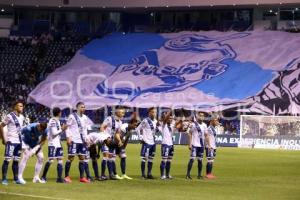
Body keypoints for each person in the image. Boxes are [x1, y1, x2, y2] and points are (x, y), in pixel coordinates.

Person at [64, 102, 93, 183]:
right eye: (81, 107)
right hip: (74, 140)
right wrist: (68, 138)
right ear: (77, 108)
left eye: (84, 107)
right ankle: (66, 176)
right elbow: (67, 128)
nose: (83, 108)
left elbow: (85, 130)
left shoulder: (85, 118)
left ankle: (82, 177)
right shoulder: (72, 116)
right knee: (71, 158)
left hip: (82, 141)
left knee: (82, 158)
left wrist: (87, 139)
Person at [0, 100, 25, 185]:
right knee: (7, 160)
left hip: (19, 142)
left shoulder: (22, 117)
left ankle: (16, 179)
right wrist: (3, 139)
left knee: (16, 160)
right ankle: (4, 179)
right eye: (20, 106)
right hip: (11, 141)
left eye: (22, 106)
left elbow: (20, 130)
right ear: (15, 107)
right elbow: (1, 126)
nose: (21, 107)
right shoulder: (10, 116)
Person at [17, 118, 48, 184]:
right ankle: (19, 177)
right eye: (41, 129)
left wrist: (36, 148)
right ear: (39, 125)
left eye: (43, 130)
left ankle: (36, 178)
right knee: (26, 157)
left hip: (35, 144)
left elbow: (44, 140)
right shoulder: (29, 128)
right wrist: (24, 147)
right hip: (26, 142)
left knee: (41, 158)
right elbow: (19, 134)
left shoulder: (45, 130)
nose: (41, 131)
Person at [41, 107, 68, 183]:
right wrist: (62, 129)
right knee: (51, 160)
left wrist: (62, 129)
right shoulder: (52, 121)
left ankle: (59, 178)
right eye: (60, 112)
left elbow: (58, 133)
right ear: (59, 113)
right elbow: (54, 133)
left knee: (60, 160)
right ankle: (43, 177)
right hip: (52, 143)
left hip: (58, 143)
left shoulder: (57, 121)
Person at [158, 111, 182, 180]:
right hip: (165, 144)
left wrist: (181, 119)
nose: (170, 119)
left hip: (171, 145)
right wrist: (171, 110)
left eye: (171, 118)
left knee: (169, 160)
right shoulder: (163, 124)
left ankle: (168, 175)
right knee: (164, 160)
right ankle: (162, 175)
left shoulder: (171, 125)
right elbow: (166, 119)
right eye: (169, 118)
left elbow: (178, 125)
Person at [136, 107, 158, 179]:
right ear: (149, 113)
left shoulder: (155, 121)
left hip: (153, 143)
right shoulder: (145, 120)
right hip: (146, 142)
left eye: (155, 112)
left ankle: (149, 174)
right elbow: (138, 129)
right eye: (152, 112)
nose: (154, 113)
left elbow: (154, 131)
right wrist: (140, 138)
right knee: (144, 159)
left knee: (151, 158)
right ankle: (143, 175)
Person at [186, 112, 208, 180]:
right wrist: (190, 144)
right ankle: (188, 174)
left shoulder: (204, 125)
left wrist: (207, 144)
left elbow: (206, 135)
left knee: (200, 160)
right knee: (192, 159)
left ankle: (199, 175)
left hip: (201, 146)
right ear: (197, 116)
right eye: (200, 116)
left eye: (203, 116)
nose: (201, 117)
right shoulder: (194, 124)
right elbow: (189, 133)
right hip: (195, 145)